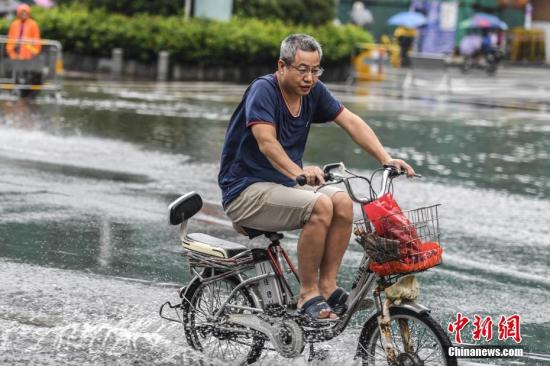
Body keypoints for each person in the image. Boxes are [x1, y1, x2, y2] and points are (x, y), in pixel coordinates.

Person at [218, 34, 414, 321]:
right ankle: (307, 294)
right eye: (302, 69)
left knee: (343, 202)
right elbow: (267, 143)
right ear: (282, 66)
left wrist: (385, 158)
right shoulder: (263, 90)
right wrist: (299, 172)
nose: (309, 77)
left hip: (283, 187)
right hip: (245, 191)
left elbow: (350, 121)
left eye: (315, 70)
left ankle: (328, 285)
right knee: (320, 206)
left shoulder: (313, 92)